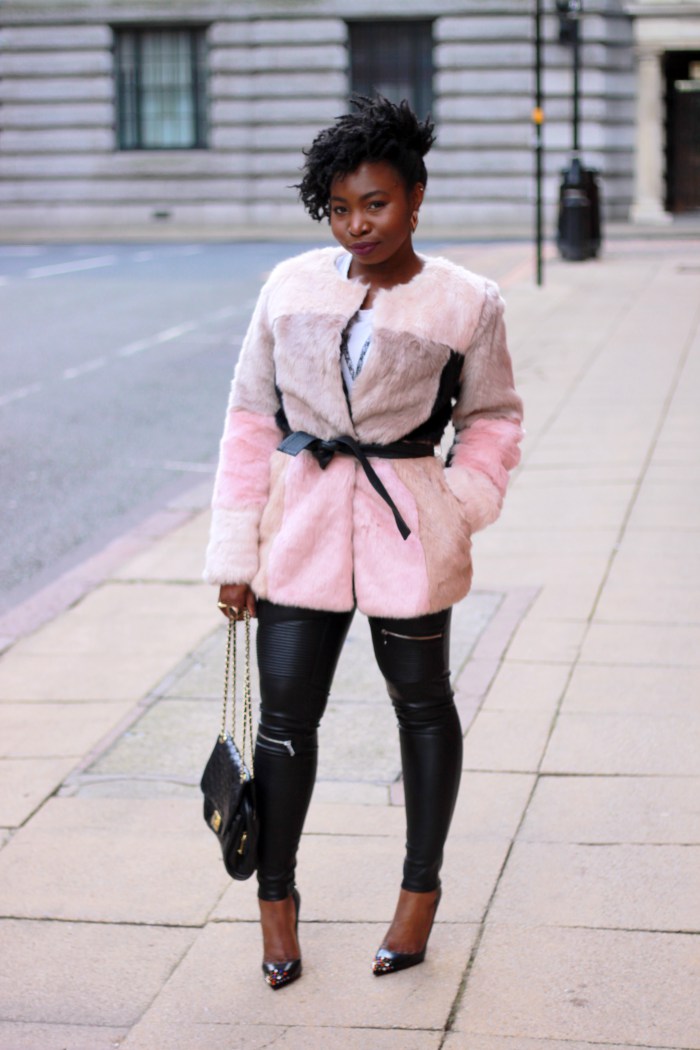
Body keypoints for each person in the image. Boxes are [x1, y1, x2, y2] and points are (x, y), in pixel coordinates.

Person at [204, 95, 523, 989]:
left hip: (408, 531)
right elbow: (249, 419)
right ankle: (276, 903)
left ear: (415, 197)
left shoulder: (467, 301)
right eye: (339, 208)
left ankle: (419, 894)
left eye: (376, 204)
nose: (357, 225)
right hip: (299, 532)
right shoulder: (288, 288)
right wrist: (236, 553)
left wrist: (458, 502)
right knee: (284, 722)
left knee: (423, 706)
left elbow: (494, 417)